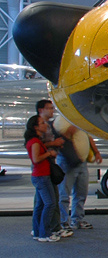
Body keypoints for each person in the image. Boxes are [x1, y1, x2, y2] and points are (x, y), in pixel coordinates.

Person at [53, 113, 102, 229]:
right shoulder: (61, 120)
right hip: (68, 162)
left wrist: (96, 152)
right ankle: (63, 222)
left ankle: (77, 219)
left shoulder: (80, 119)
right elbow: (62, 138)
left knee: (81, 193)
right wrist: (73, 128)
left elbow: (89, 137)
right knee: (64, 194)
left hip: (81, 163)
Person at [34, 100, 72, 239]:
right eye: (49, 108)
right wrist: (52, 147)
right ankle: (46, 230)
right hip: (43, 170)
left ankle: (43, 229)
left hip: (47, 167)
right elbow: (36, 150)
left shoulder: (48, 127)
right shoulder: (39, 130)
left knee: (46, 201)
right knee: (49, 202)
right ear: (40, 110)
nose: (52, 111)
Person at [26, 116, 62, 242]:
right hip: (42, 176)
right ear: (36, 127)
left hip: (40, 176)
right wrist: (49, 153)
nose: (45, 125)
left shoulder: (36, 140)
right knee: (50, 204)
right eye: (42, 123)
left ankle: (38, 231)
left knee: (41, 205)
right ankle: (45, 233)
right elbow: (36, 159)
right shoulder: (35, 141)